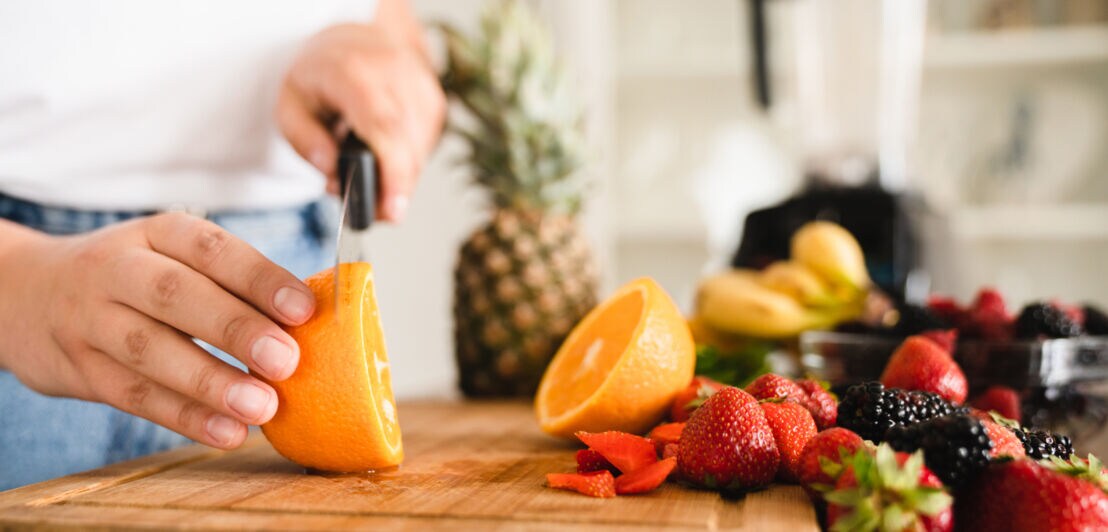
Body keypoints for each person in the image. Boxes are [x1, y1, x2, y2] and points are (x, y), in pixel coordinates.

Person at [0, 0, 445, 489]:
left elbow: (388, 17)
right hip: (28, 293)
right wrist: (19, 286)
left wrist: (385, 53)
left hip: (290, 281)